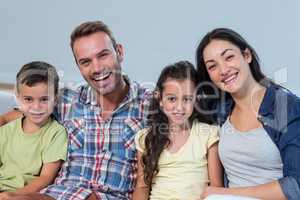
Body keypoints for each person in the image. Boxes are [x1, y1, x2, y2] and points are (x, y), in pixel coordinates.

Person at [0, 21, 151, 200]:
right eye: (85, 62)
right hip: (58, 195)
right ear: (78, 66)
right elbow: (10, 118)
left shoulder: (151, 104)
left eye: (103, 55)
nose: (96, 68)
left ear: (119, 52)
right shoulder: (65, 100)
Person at [196, 28, 300, 200]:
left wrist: (223, 193)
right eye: (212, 66)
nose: (223, 70)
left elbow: (296, 186)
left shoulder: (283, 105)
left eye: (229, 57)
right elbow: (176, 100)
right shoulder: (220, 110)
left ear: (247, 56)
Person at [132, 61, 223, 200]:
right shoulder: (146, 138)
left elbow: (216, 188)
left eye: (187, 99)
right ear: (160, 99)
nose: (179, 107)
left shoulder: (208, 134)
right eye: (172, 99)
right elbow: (142, 187)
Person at [0, 61, 67, 198]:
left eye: (44, 100)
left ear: (55, 99)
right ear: (18, 99)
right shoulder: (6, 131)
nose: (36, 107)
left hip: (24, 194)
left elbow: (46, 178)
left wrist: (13, 195)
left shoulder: (56, 133)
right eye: (28, 99)